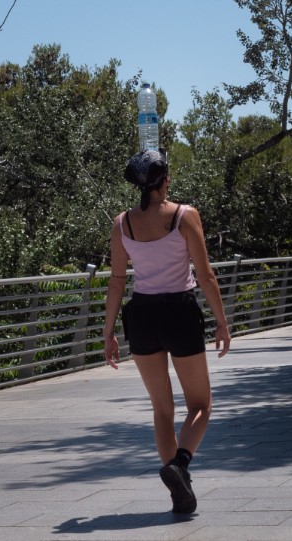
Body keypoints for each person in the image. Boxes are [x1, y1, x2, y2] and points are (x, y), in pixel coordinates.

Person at [102, 149, 231, 515]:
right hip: (179, 312)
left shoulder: (122, 224)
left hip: (141, 316)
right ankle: (180, 464)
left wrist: (108, 332)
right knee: (201, 405)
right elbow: (205, 275)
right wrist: (222, 322)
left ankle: (179, 493)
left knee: (161, 409)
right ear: (165, 180)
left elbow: (116, 281)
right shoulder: (184, 215)